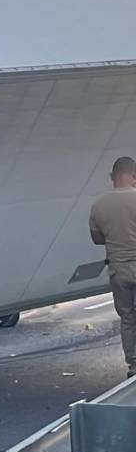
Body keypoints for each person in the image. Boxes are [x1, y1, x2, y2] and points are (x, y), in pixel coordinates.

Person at [89, 156, 136, 377]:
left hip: (118, 270)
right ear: (134, 176)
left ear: (111, 177)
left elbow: (97, 239)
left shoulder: (99, 205)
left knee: (127, 317)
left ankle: (134, 365)